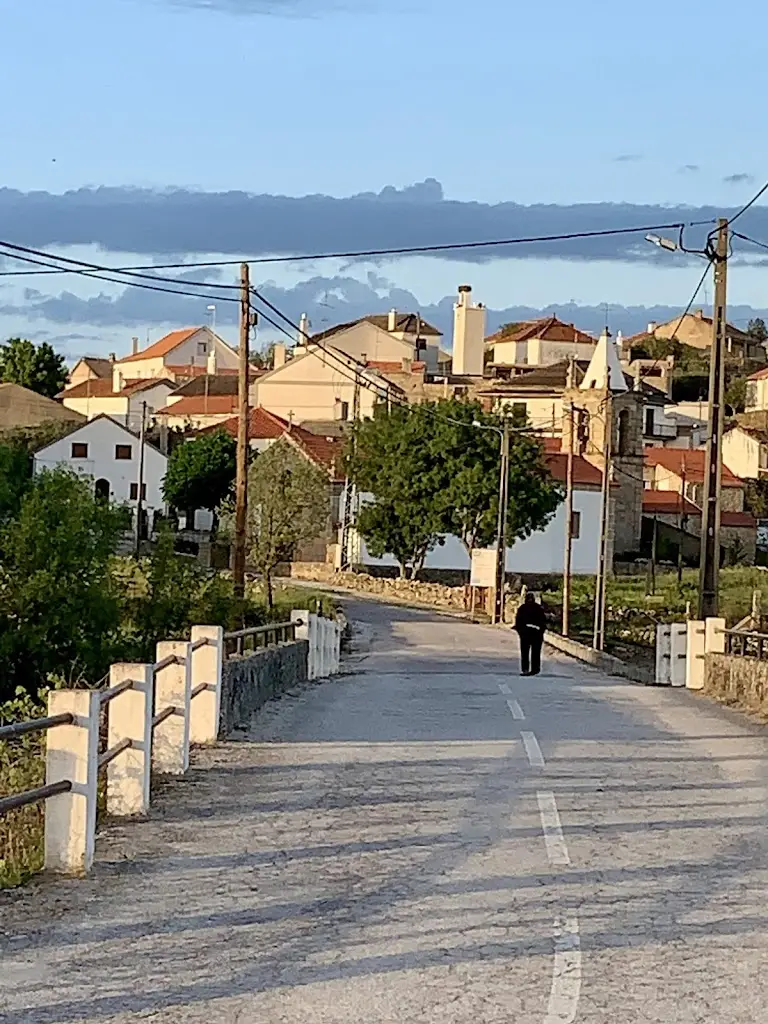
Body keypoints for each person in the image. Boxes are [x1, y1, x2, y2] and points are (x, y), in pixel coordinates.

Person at [514, 592, 547, 676]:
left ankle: (526, 669)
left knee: (525, 652)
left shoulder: (522, 608)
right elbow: (544, 622)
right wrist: (541, 631)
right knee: (535, 652)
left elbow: (518, 622)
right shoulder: (538, 608)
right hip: (535, 633)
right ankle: (535, 669)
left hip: (527, 633)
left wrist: (520, 631)